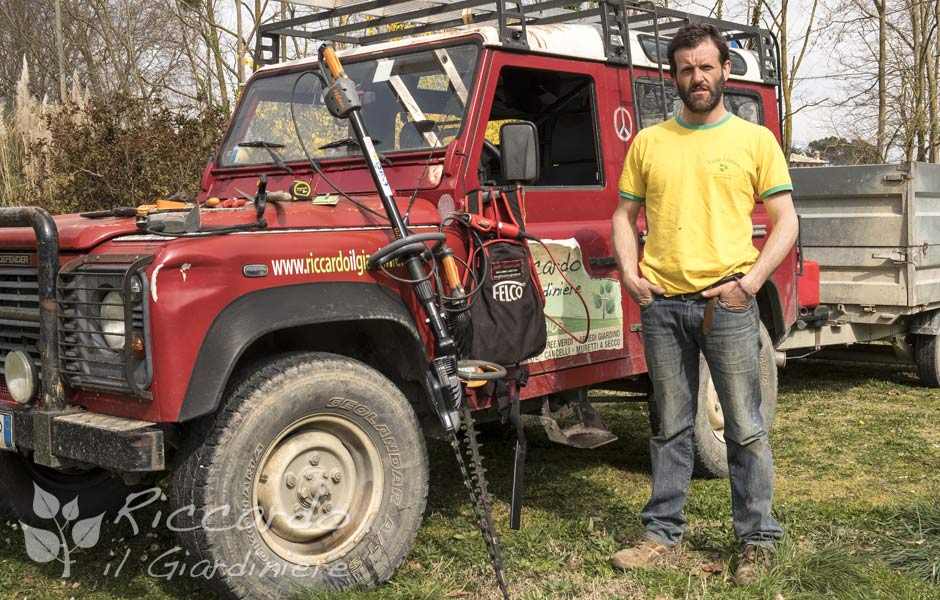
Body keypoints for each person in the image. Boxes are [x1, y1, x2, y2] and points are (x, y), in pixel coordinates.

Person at [610, 23, 799, 585]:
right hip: (663, 305)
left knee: (743, 426)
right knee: (670, 426)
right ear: (674, 76)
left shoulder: (753, 141)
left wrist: (752, 282)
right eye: (687, 68)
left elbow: (786, 220)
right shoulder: (648, 143)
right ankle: (661, 536)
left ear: (726, 71)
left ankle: (758, 539)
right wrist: (629, 272)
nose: (698, 77)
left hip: (730, 305)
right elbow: (623, 217)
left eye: (707, 67)